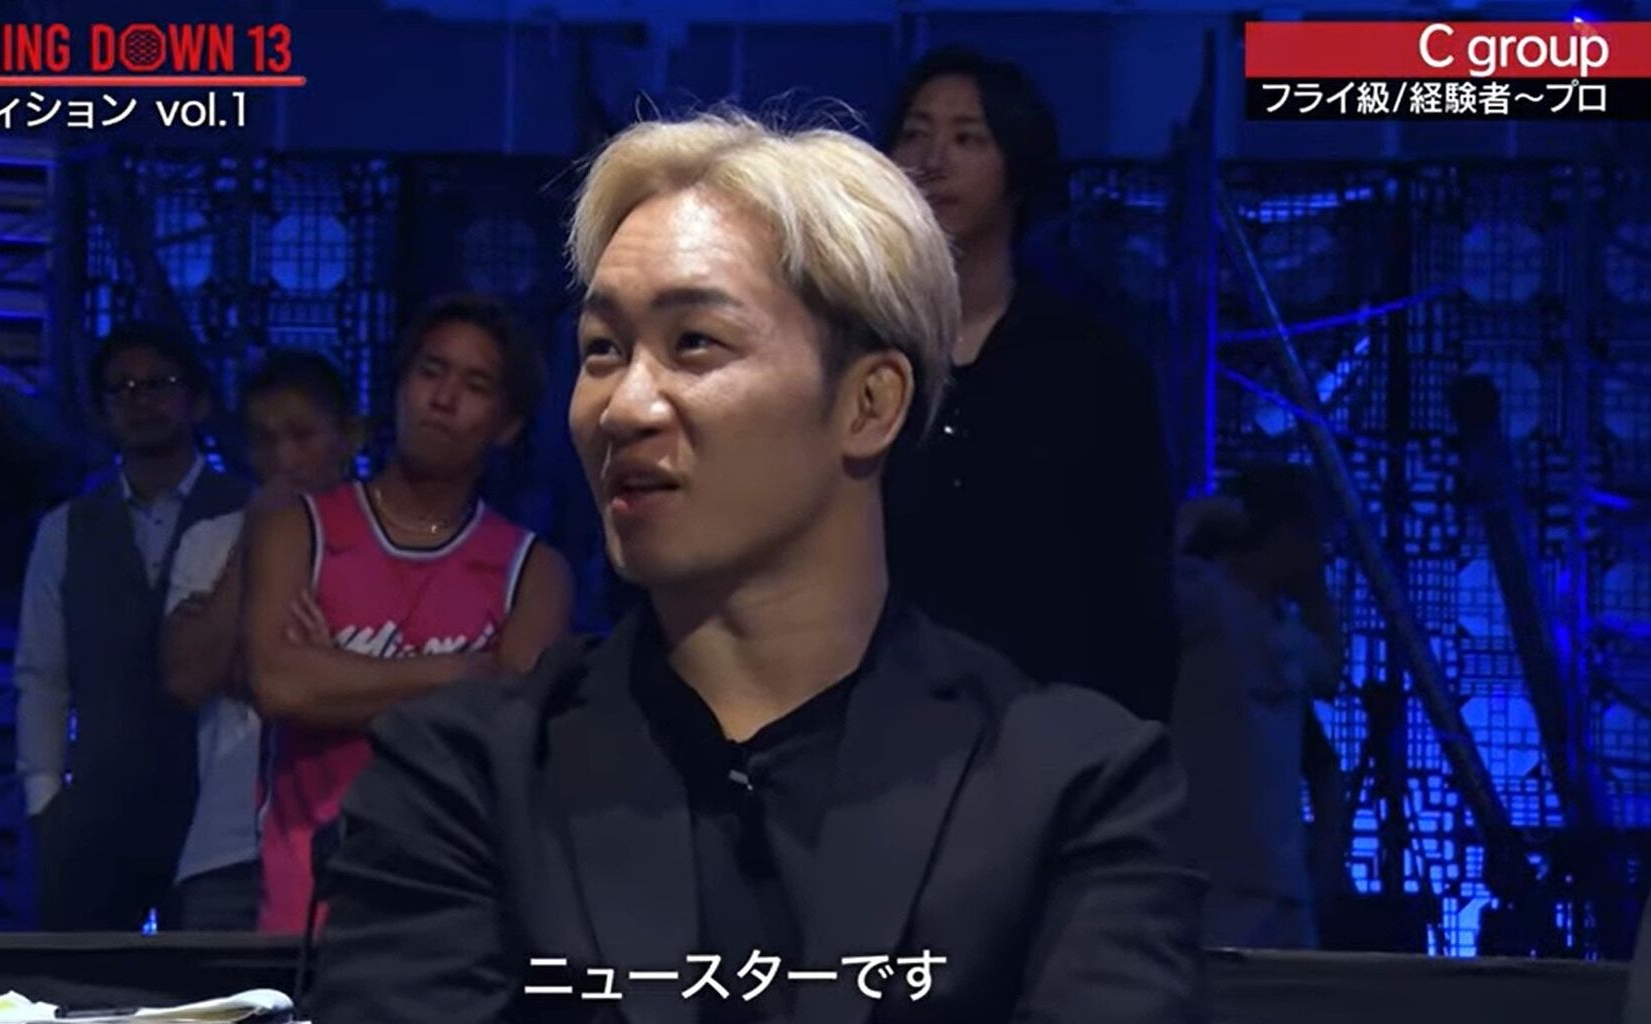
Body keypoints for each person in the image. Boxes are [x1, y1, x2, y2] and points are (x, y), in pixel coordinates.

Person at [309, 112, 1204, 1024]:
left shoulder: (1073, 786)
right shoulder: (467, 776)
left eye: (695, 343)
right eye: (602, 351)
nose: (624, 407)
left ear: (869, 404)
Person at [245, 295, 575, 935]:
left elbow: (509, 734)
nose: (443, 398)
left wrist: (336, 673)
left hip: (456, 916)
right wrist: (456, 672)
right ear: (398, 385)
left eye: (475, 385)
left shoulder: (533, 571)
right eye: (430, 371)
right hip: (306, 912)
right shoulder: (299, 529)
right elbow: (280, 685)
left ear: (507, 425)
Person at [882, 46, 1180, 722]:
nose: (933, 161)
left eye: (968, 138)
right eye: (915, 134)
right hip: (877, 728)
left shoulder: (1092, 364)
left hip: (1046, 727)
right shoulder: (850, 351)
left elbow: (1132, 580)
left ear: (1018, 167)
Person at [13, 322, 251, 930]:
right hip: (98, 805)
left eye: (158, 383)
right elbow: (42, 673)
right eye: (122, 389)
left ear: (198, 400)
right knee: (80, 979)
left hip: (217, 809)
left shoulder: (249, 513)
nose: (140, 400)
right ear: (101, 413)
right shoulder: (67, 528)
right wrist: (45, 799)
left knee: (212, 981)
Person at [159, 350, 364, 930]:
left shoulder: (381, 544)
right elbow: (187, 677)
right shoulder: (209, 541)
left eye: (301, 436)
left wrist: (277, 669)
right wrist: (255, 538)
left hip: (347, 840)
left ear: (346, 438)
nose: (283, 460)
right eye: (264, 440)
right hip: (226, 852)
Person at [1172, 462, 1341, 950]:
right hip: (1215, 885)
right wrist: (1194, 519)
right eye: (1314, 536)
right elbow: (1144, 587)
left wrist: (1314, 588)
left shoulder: (1281, 625)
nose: (1323, 552)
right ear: (1286, 532)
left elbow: (1328, 672)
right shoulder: (1206, 596)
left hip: (1281, 885)